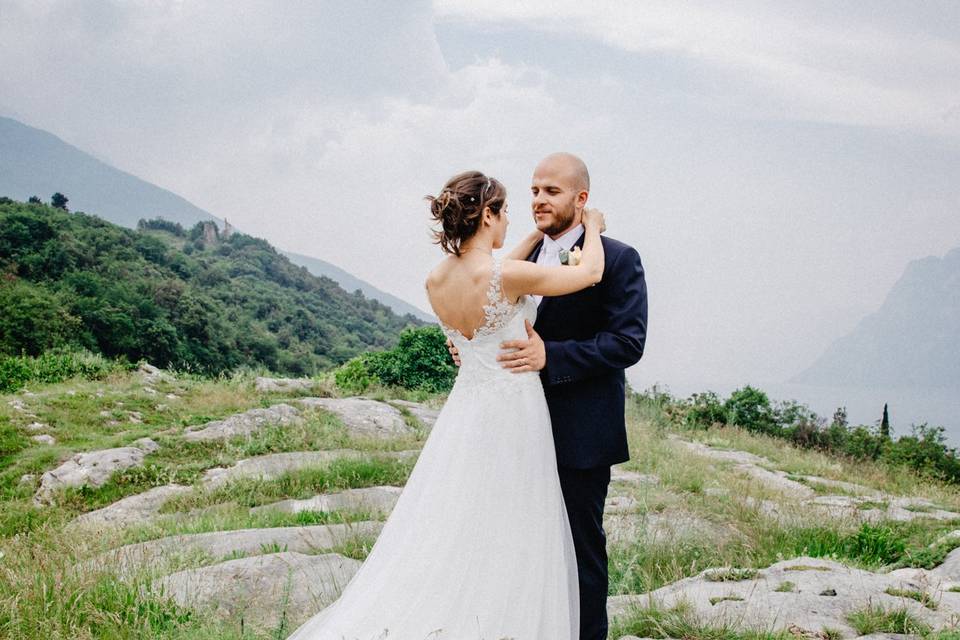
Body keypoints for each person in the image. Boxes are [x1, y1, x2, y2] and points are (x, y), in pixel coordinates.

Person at [287, 169, 608, 639]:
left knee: (463, 515)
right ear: (487, 215)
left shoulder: (437, 280)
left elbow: (495, 271)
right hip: (516, 410)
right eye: (503, 214)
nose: (506, 224)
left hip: (468, 409)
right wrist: (594, 225)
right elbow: (590, 272)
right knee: (514, 519)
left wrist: (534, 234)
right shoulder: (507, 275)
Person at [451, 152, 648, 640]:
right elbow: (485, 313)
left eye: (552, 191)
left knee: (580, 551)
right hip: (512, 426)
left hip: (578, 431)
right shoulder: (512, 259)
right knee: (513, 543)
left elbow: (628, 342)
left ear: (581, 199)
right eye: (535, 190)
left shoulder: (619, 258)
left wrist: (550, 357)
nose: (539, 199)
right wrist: (468, 343)